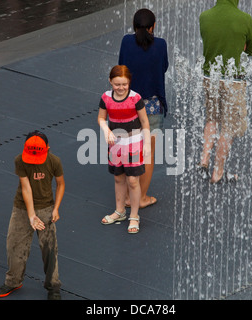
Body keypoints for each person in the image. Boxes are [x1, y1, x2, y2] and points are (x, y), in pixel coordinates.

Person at [0, 131, 65, 300]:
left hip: (46, 207)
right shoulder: (20, 160)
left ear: (47, 149)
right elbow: (25, 188)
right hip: (22, 207)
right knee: (14, 245)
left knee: (49, 249)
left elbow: (61, 184)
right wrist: (31, 215)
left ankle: (53, 286)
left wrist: (56, 209)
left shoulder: (54, 161)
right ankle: (13, 281)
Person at [199, 0, 252, 183]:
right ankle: (218, 172)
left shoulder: (204, 17)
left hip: (211, 78)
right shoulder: (245, 19)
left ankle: (204, 159)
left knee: (212, 118)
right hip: (233, 82)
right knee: (229, 127)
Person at [118, 8, 168, 208]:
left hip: (129, 105)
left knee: (128, 151)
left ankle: (125, 196)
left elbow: (121, 66)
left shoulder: (126, 42)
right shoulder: (161, 45)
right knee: (147, 154)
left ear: (134, 26)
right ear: (153, 27)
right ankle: (141, 198)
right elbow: (163, 67)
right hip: (153, 106)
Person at [98, 65, 151, 234]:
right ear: (110, 82)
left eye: (124, 84)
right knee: (118, 178)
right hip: (115, 144)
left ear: (129, 83)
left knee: (133, 180)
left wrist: (147, 144)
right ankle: (120, 211)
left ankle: (134, 216)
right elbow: (101, 118)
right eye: (116, 84)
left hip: (134, 142)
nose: (120, 88)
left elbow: (144, 122)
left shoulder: (135, 98)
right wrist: (106, 130)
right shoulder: (106, 98)